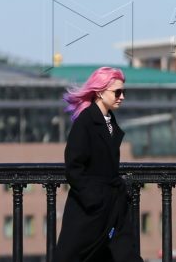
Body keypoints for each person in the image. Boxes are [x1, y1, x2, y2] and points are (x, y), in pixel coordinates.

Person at [54, 67, 142, 262]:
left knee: (125, 253)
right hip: (90, 210)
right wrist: (95, 198)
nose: (122, 97)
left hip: (113, 204)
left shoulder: (109, 120)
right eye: (117, 92)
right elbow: (74, 167)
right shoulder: (85, 122)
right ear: (100, 92)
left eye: (123, 92)